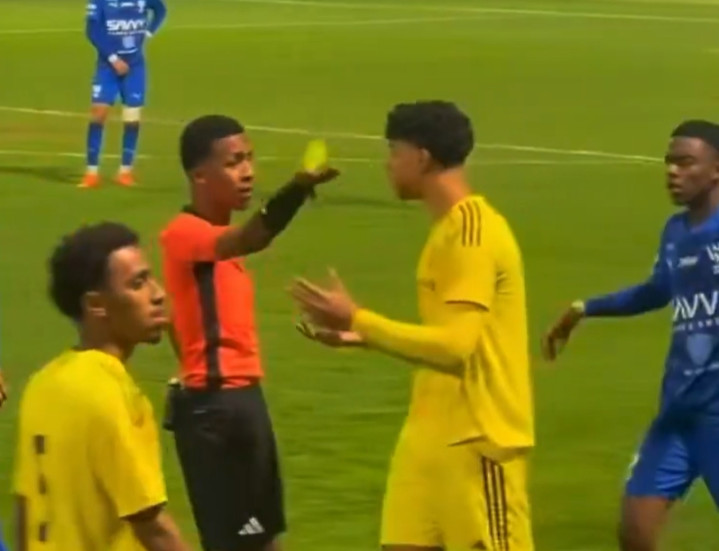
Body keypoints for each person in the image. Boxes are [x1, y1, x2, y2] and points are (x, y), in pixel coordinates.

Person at [291, 100, 535, 551]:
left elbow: (456, 347)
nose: (388, 164)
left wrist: (359, 318)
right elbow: (446, 336)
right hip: (428, 436)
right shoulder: (447, 230)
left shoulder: (474, 233)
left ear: (421, 158)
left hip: (478, 439)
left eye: (394, 151)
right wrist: (365, 336)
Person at [160, 114, 339, 551]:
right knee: (235, 544)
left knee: (264, 539)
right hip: (216, 411)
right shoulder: (186, 234)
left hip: (241, 402)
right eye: (233, 162)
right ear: (199, 176)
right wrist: (297, 189)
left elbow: (174, 318)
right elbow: (251, 238)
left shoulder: (215, 240)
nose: (248, 172)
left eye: (249, 159)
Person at [542, 120, 719, 551]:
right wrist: (585, 308)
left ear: (716, 169)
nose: (672, 171)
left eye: (686, 162)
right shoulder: (675, 232)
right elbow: (658, 289)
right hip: (678, 411)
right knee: (635, 532)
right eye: (669, 162)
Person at [12, 222, 192, 551]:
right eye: (138, 283)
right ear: (96, 304)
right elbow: (151, 525)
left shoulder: (41, 384)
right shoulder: (114, 393)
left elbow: (26, 508)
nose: (157, 294)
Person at [80, 0, 167, 189]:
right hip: (107, 67)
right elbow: (92, 31)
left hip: (135, 67)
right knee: (98, 115)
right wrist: (114, 59)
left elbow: (160, 9)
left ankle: (125, 171)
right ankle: (91, 173)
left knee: (132, 119)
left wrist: (149, 32)